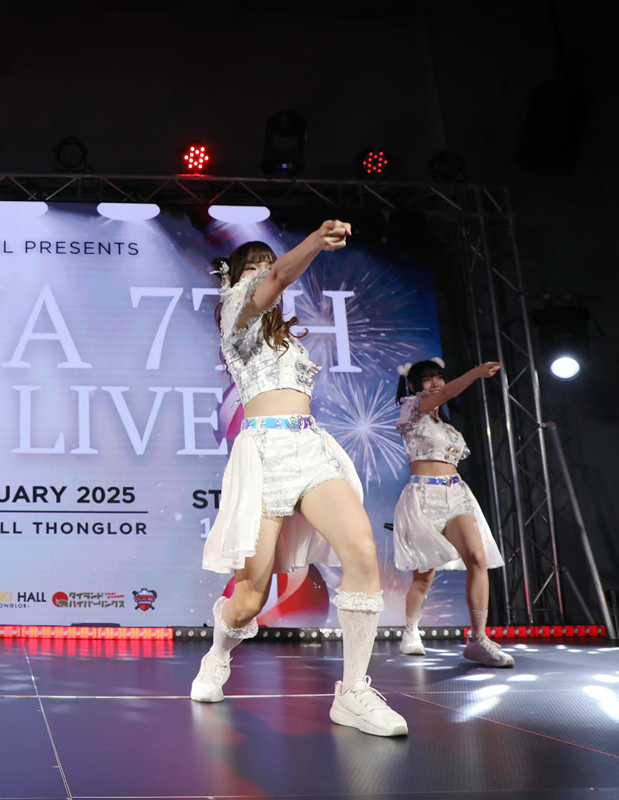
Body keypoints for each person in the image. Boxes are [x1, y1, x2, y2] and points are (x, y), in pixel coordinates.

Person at [193, 224, 408, 737]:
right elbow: (273, 282)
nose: (264, 273)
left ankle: (353, 692)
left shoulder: (287, 338)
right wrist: (312, 242)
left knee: (361, 550)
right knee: (250, 599)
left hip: (310, 447)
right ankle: (218, 653)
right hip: (263, 453)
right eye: (253, 267)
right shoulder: (235, 314)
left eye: (268, 265)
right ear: (236, 281)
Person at [394, 358, 513, 666]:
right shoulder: (411, 408)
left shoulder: (446, 428)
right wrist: (475, 373)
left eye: (439, 377)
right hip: (423, 496)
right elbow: (443, 395)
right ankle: (411, 631)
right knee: (424, 575)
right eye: (428, 379)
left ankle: (478, 639)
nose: (436, 383)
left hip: (457, 493)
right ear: (413, 385)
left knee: (477, 558)